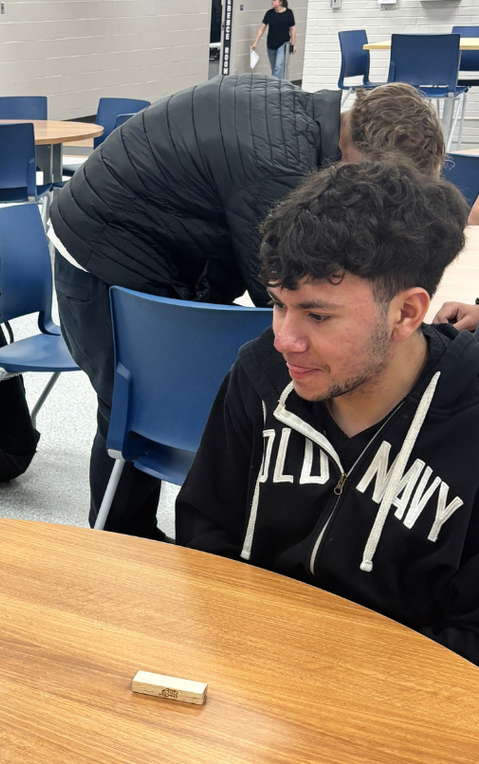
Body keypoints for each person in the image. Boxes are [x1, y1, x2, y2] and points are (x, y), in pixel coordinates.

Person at [49, 77, 446, 540]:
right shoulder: (280, 167)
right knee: (127, 408)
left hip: (150, 242)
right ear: (358, 152)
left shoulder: (306, 120)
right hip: (101, 256)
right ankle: (118, 546)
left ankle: (135, 540)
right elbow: (284, 294)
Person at [176, 160, 479, 666]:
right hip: (248, 678)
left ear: (406, 313)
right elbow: (205, 532)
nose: (284, 340)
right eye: (278, 305)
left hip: (398, 713)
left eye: (318, 316)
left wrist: (327, 683)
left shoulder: (467, 422)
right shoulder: (260, 378)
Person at [251, 0, 296, 80]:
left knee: (278, 67)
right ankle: (279, 83)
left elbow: (292, 29)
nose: (272, 2)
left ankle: (275, 87)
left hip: (283, 43)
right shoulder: (269, 13)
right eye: (272, 0)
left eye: (274, 0)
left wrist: (293, 44)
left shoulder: (288, 13)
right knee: (274, 68)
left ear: (281, 2)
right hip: (271, 44)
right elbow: (262, 28)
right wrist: (255, 43)